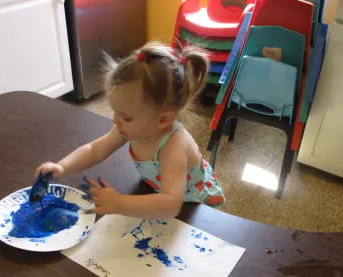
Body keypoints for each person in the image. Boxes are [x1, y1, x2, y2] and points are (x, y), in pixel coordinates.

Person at [35, 42, 225, 219]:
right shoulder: (129, 127)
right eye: (115, 111)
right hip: (155, 191)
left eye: (126, 117)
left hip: (192, 204)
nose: (116, 121)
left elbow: (171, 204)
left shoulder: (173, 147)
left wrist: (119, 203)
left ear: (163, 120)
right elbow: (95, 150)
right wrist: (62, 167)